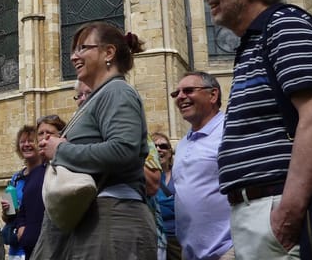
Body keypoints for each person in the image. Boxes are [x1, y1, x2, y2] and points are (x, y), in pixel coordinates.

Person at [201, 0, 312, 259]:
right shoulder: (255, 41)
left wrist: (288, 213)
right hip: (261, 212)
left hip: (282, 210)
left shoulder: (284, 26)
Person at [34, 22, 155, 259]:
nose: (73, 57)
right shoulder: (99, 97)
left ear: (108, 53)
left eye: (82, 48)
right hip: (95, 218)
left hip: (113, 218)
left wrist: (61, 150)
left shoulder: (117, 91)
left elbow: (123, 150)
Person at [170, 71, 232, 260]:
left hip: (229, 249)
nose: (180, 97)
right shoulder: (182, 144)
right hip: (190, 253)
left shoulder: (230, 132)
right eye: (176, 93)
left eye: (188, 90)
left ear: (213, 95)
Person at [13, 115, 65, 258]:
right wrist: (22, 230)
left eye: (50, 133)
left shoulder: (64, 167)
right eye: (41, 133)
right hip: (32, 248)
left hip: (57, 245)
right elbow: (23, 210)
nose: (44, 137)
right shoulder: (34, 174)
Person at [1, 125, 41, 260]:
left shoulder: (46, 173)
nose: (26, 145)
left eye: (31, 141)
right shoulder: (16, 178)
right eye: (23, 142)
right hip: (16, 248)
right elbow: (8, 217)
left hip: (37, 245)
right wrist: (7, 210)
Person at [152, 132, 181, 260]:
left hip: (178, 238)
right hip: (155, 239)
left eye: (163, 146)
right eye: (154, 146)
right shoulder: (146, 178)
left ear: (170, 152)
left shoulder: (180, 175)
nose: (159, 149)